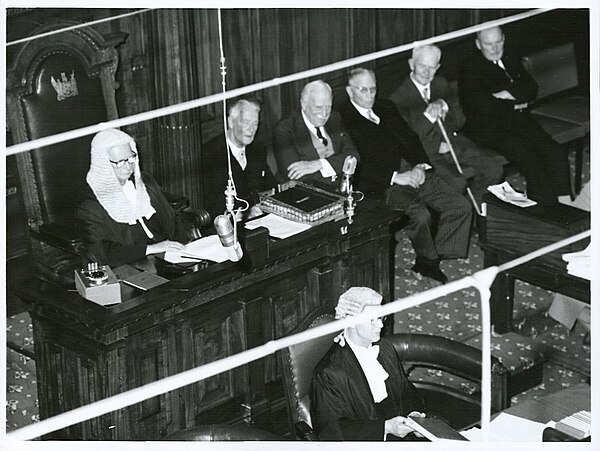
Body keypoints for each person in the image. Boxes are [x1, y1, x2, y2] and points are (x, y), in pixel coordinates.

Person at [340, 68, 472, 283]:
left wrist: (420, 165)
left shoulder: (386, 107)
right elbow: (357, 163)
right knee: (421, 215)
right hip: (383, 184)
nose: (370, 95)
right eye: (363, 90)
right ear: (349, 90)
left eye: (373, 89)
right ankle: (427, 264)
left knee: (460, 206)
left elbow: (411, 139)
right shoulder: (343, 119)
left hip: (410, 170)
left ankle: (435, 252)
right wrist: (394, 177)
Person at [458, 26, 571, 204]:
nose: (495, 49)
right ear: (478, 44)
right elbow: (484, 107)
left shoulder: (509, 56)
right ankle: (545, 212)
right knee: (531, 162)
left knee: (554, 152)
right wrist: (516, 100)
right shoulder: (470, 68)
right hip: (488, 129)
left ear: (503, 39)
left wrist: (505, 95)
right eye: (488, 44)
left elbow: (531, 88)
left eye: (498, 42)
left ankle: (566, 205)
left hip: (516, 120)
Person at [389, 44, 504, 203]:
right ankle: (456, 216)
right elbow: (407, 141)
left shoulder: (441, 84)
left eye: (432, 67)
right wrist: (428, 118)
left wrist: (444, 104)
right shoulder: (398, 99)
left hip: (453, 145)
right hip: (427, 154)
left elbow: (459, 122)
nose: (427, 72)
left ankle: (470, 209)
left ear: (438, 67)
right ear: (411, 64)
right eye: (422, 66)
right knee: (457, 182)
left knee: (494, 168)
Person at [310, 286, 426, 441]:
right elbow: (332, 431)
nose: (380, 325)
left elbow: (406, 391)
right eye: (372, 319)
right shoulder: (329, 373)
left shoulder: (384, 348)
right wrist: (386, 428)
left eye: (381, 318)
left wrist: (413, 415)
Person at [77, 128, 196, 266]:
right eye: (120, 162)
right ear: (103, 164)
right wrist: (150, 249)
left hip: (170, 256)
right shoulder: (88, 205)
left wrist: (188, 247)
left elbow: (171, 220)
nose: (128, 167)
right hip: (131, 267)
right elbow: (100, 251)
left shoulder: (145, 182)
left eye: (131, 158)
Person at [273, 80, 360, 187]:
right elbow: (295, 176)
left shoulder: (334, 118)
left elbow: (353, 156)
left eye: (328, 107)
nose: (324, 114)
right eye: (318, 107)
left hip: (340, 189)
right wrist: (336, 169)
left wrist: (320, 164)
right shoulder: (285, 129)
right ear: (304, 104)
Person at [202, 98, 276, 220]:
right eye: (246, 122)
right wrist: (246, 214)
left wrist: (263, 206)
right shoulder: (210, 154)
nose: (251, 129)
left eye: (255, 124)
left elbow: (270, 186)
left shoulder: (257, 149)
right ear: (231, 122)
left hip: (258, 221)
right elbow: (210, 204)